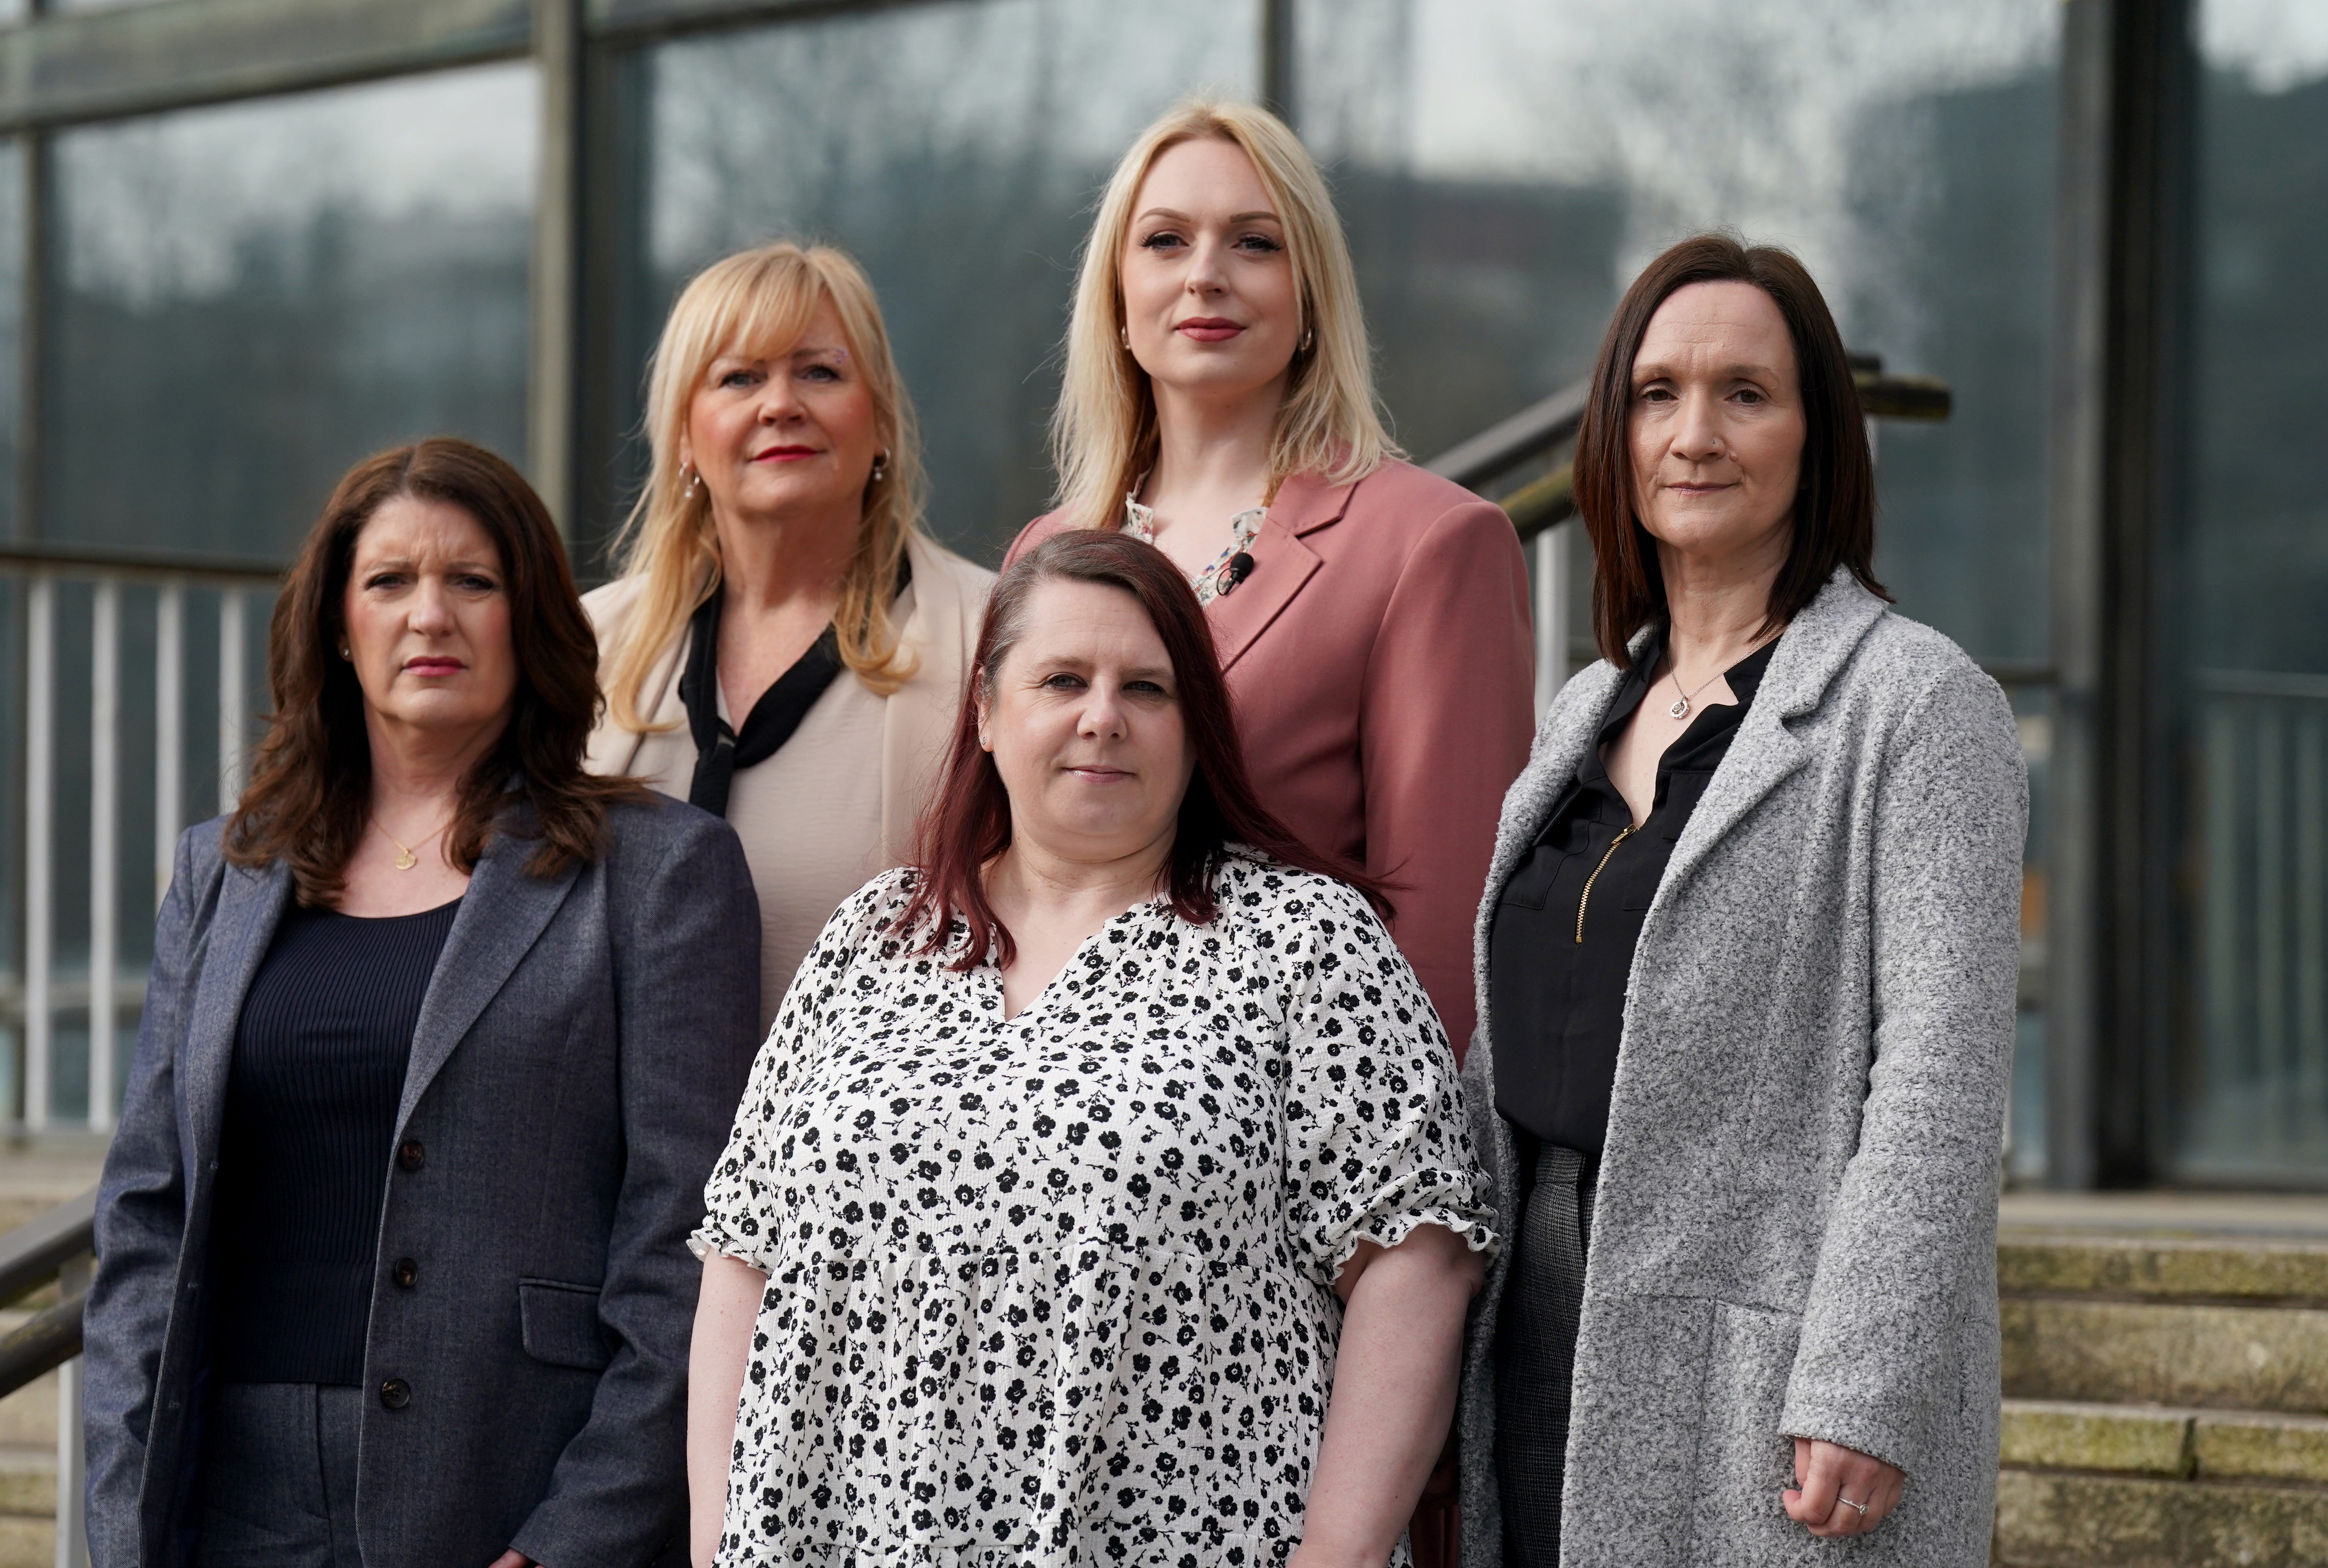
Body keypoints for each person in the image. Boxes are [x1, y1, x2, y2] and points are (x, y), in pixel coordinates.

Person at [685, 530, 1495, 1568]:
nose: (1102, 718)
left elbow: (1413, 1259)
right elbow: (742, 1260)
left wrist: (1335, 1558)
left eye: (1148, 690)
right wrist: (717, 1547)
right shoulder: (871, 942)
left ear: (1196, 728)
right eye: (1063, 679)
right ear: (984, 711)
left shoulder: (1305, 945)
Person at [85, 439, 764, 1568]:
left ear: (532, 619)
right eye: (390, 581)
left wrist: (571, 1542)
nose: (429, 615)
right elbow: (145, 1222)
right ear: (337, 626)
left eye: (474, 582)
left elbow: (684, 1245)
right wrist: (122, 1520)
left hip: (504, 1484)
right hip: (228, 1500)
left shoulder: (658, 874)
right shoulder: (226, 872)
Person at [1458, 235, 2027, 1566]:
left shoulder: (1921, 707)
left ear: (1818, 435)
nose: (1694, 433)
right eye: (1657, 394)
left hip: (1771, 1360)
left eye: (1745, 394)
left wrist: (1867, 1379)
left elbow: (1941, 1078)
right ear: (1613, 432)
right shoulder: (1580, 715)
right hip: (1538, 1315)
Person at [1003, 98, 1533, 1060]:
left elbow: (1445, 942)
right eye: (1166, 241)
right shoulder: (1047, 551)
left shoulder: (1433, 542)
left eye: (1254, 243)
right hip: (1041, 1136)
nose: (1206, 275)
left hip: (1296, 1149)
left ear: (1310, 297)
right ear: (1118, 298)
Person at [587, 241, 995, 1029]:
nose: (780, 404)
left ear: (879, 421)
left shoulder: (994, 640)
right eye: (740, 377)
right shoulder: (581, 646)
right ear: (682, 436)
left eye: (820, 372)